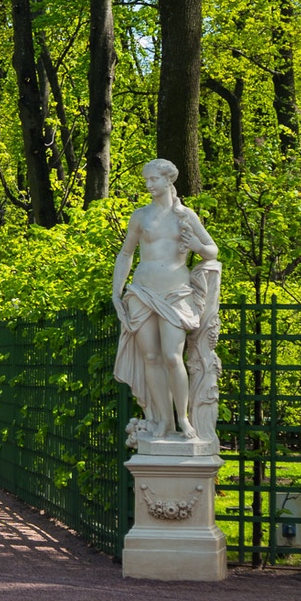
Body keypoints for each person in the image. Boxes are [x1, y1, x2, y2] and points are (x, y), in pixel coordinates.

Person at [112, 158, 219, 441]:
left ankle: (183, 419)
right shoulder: (140, 216)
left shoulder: (185, 216)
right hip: (143, 292)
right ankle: (162, 421)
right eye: (146, 180)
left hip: (175, 293)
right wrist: (116, 291)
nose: (148, 185)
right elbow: (126, 254)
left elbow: (212, 250)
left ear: (168, 180)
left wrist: (196, 246)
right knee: (150, 357)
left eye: (153, 180)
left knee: (173, 357)